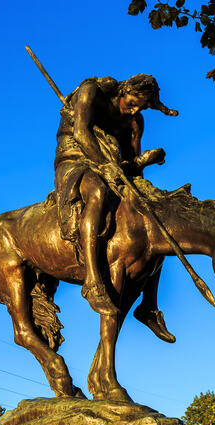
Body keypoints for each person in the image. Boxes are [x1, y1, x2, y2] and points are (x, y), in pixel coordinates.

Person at [54, 74, 177, 341]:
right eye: (133, 103)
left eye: (142, 107)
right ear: (125, 89)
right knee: (97, 191)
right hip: (75, 159)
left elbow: (132, 167)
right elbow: (81, 132)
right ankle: (94, 281)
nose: (135, 110)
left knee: (151, 215)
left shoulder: (135, 123)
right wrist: (105, 165)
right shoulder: (92, 92)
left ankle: (149, 306)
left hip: (113, 170)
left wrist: (144, 161)